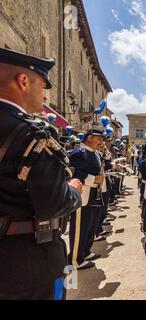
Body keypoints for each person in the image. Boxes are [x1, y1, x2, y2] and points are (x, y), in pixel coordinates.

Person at [0, 48, 82, 299]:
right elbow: (54, 202)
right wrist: (74, 191)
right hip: (28, 262)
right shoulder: (31, 133)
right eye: (42, 85)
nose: (45, 95)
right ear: (23, 81)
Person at [68, 128, 107, 270]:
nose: (101, 142)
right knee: (79, 227)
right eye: (99, 138)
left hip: (92, 194)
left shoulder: (94, 153)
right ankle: (75, 259)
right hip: (82, 194)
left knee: (89, 225)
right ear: (89, 138)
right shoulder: (79, 152)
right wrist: (93, 179)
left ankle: (84, 252)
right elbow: (74, 172)